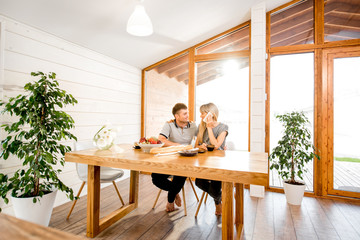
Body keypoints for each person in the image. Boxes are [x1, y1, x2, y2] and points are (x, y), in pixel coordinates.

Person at [151, 103, 197, 212]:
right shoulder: (169, 125)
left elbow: (201, 141)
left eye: (187, 113)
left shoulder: (193, 126)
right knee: (155, 178)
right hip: (169, 159)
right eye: (184, 114)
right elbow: (161, 139)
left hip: (186, 159)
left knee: (180, 175)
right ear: (176, 116)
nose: (187, 115)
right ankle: (175, 192)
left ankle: (170, 200)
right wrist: (178, 146)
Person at [194, 103, 228, 216]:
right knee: (198, 182)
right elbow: (196, 145)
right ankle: (222, 198)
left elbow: (216, 145)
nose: (200, 116)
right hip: (204, 162)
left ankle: (218, 203)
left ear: (210, 114)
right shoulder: (200, 126)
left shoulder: (223, 127)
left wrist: (209, 127)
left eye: (202, 113)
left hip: (219, 163)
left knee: (215, 185)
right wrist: (201, 146)